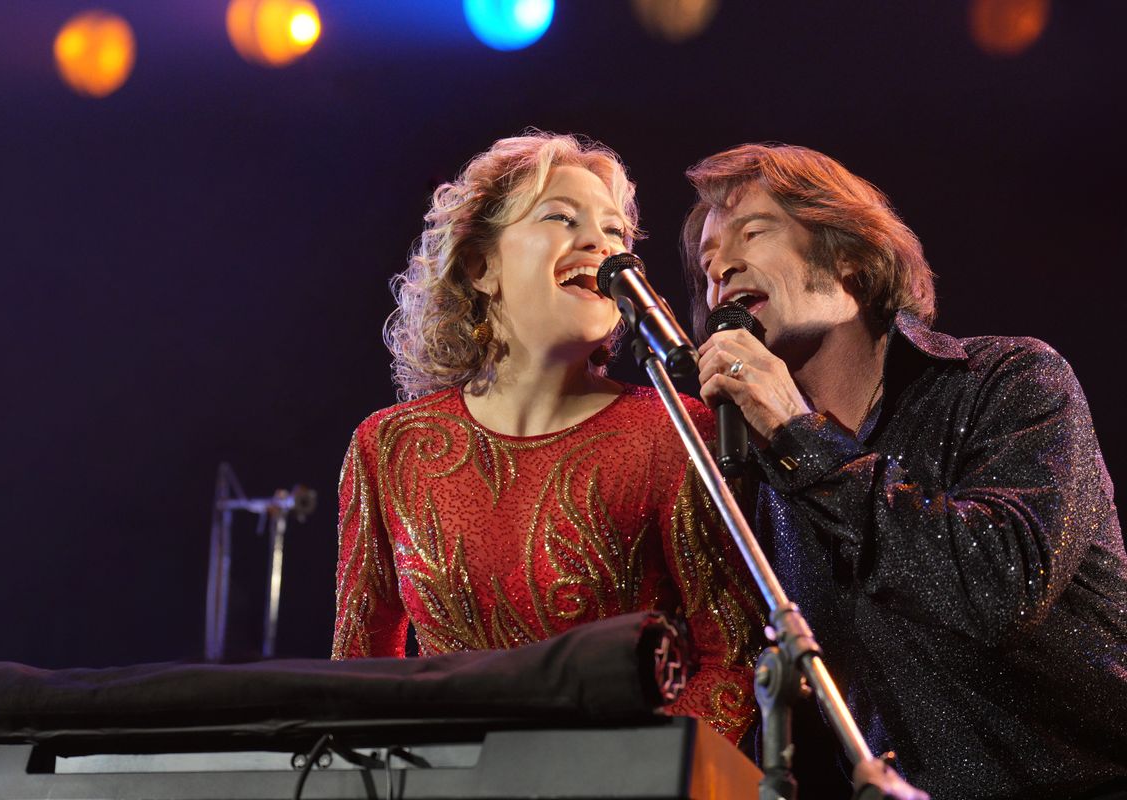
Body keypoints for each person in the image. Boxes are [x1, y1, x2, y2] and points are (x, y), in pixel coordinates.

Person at [685, 143, 1127, 799]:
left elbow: (998, 587)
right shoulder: (767, 474)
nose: (722, 266)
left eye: (753, 232)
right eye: (707, 263)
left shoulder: (1010, 382)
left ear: (851, 259)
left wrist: (800, 434)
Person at [331, 132, 764, 740]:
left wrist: (633, 777)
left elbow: (733, 658)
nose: (601, 244)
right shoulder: (390, 447)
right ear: (481, 267)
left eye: (616, 232)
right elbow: (358, 671)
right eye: (561, 217)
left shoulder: (675, 431)